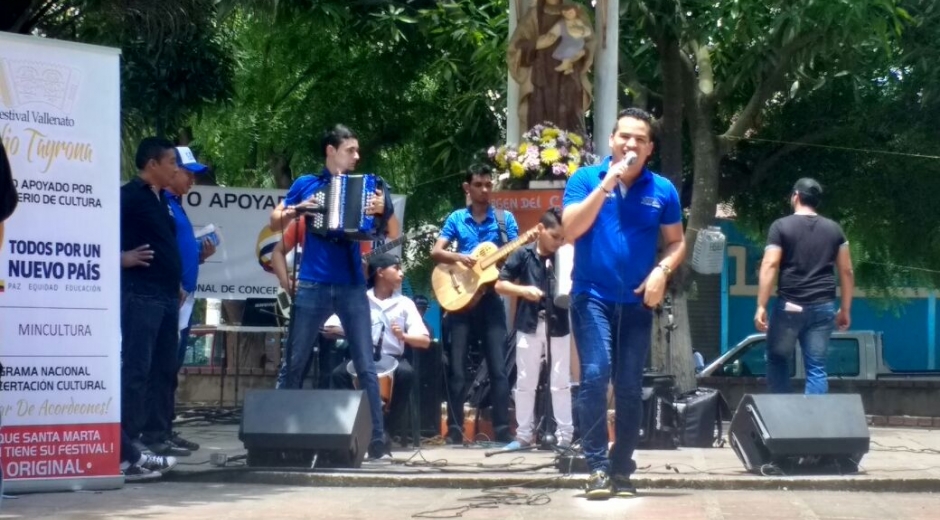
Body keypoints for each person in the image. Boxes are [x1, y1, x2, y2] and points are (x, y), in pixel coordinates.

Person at [562, 107, 686, 499]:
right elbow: (569, 230)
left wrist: (662, 272)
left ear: (650, 148)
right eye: (624, 137)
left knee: (631, 387)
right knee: (597, 374)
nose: (630, 144)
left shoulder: (662, 190)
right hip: (591, 295)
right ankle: (597, 468)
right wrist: (607, 185)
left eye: (639, 139)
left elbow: (677, 242)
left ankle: (622, 468)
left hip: (637, 302)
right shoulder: (585, 179)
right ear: (612, 140)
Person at [268, 124, 399, 459]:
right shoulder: (306, 184)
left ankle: (377, 440)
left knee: (365, 363)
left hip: (353, 284)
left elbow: (393, 234)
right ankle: (279, 435)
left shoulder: (370, 187)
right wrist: (301, 208)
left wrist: (382, 211)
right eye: (350, 150)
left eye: (357, 151)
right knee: (293, 362)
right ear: (331, 150)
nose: (357, 156)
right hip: (312, 281)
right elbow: (274, 221)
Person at [431, 164, 519, 444]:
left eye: (488, 184)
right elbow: (436, 251)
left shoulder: (505, 221)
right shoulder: (457, 218)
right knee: (456, 369)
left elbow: (516, 255)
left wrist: (508, 259)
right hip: (460, 304)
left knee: (498, 367)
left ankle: (503, 429)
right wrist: (460, 258)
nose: (484, 190)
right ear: (467, 188)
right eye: (478, 184)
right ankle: (455, 429)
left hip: (490, 300)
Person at [145, 146, 216, 454]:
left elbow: (176, 252)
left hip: (183, 301)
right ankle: (152, 434)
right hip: (167, 297)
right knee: (159, 369)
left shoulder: (177, 205)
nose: (191, 180)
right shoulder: (162, 204)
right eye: (187, 173)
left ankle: (166, 429)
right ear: (171, 171)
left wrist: (198, 256)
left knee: (170, 370)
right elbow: (158, 250)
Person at [119, 137, 187, 457]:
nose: (176, 168)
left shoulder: (162, 200)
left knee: (165, 367)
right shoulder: (129, 196)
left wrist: (175, 282)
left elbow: (163, 245)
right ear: (153, 165)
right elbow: (98, 233)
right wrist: (121, 257)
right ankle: (129, 440)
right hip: (141, 294)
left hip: (166, 295)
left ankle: (157, 433)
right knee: (137, 368)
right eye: (172, 162)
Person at [755, 178, 854, 395]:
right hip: (823, 307)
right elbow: (846, 271)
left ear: (796, 196)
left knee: (778, 359)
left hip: (790, 306)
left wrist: (761, 305)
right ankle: (814, 425)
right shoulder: (835, 230)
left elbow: (770, 263)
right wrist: (845, 309)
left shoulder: (780, 226)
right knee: (816, 367)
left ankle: (782, 418)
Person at [325, 254, 430, 449]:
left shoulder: (405, 303)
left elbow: (424, 341)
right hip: (362, 357)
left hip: (393, 359)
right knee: (338, 375)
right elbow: (329, 328)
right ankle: (353, 429)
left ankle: (385, 431)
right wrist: (353, 331)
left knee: (406, 374)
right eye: (396, 268)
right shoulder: (359, 299)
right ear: (380, 272)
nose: (402, 273)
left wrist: (404, 337)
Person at [495, 207, 573, 450]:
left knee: (560, 381)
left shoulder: (565, 255)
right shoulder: (523, 254)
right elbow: (500, 284)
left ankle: (565, 436)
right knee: (525, 381)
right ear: (540, 230)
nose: (558, 242)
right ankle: (524, 435)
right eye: (555, 236)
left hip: (558, 322)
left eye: (562, 237)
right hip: (528, 322)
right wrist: (523, 290)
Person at [508, 0, 595, 134]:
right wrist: (536, 44)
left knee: (570, 122)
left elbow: (590, 42)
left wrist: (582, 53)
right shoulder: (534, 14)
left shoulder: (576, 10)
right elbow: (515, 48)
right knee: (539, 122)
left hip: (569, 76)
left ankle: (571, 150)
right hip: (542, 77)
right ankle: (538, 150)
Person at [536, 2, 592, 74]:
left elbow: (588, 31)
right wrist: (550, 36)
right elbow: (554, 32)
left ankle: (565, 65)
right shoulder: (562, 23)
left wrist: (582, 31)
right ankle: (569, 67)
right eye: (565, 13)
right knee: (564, 52)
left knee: (569, 51)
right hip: (566, 42)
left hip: (576, 43)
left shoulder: (578, 21)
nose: (568, 14)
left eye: (570, 12)